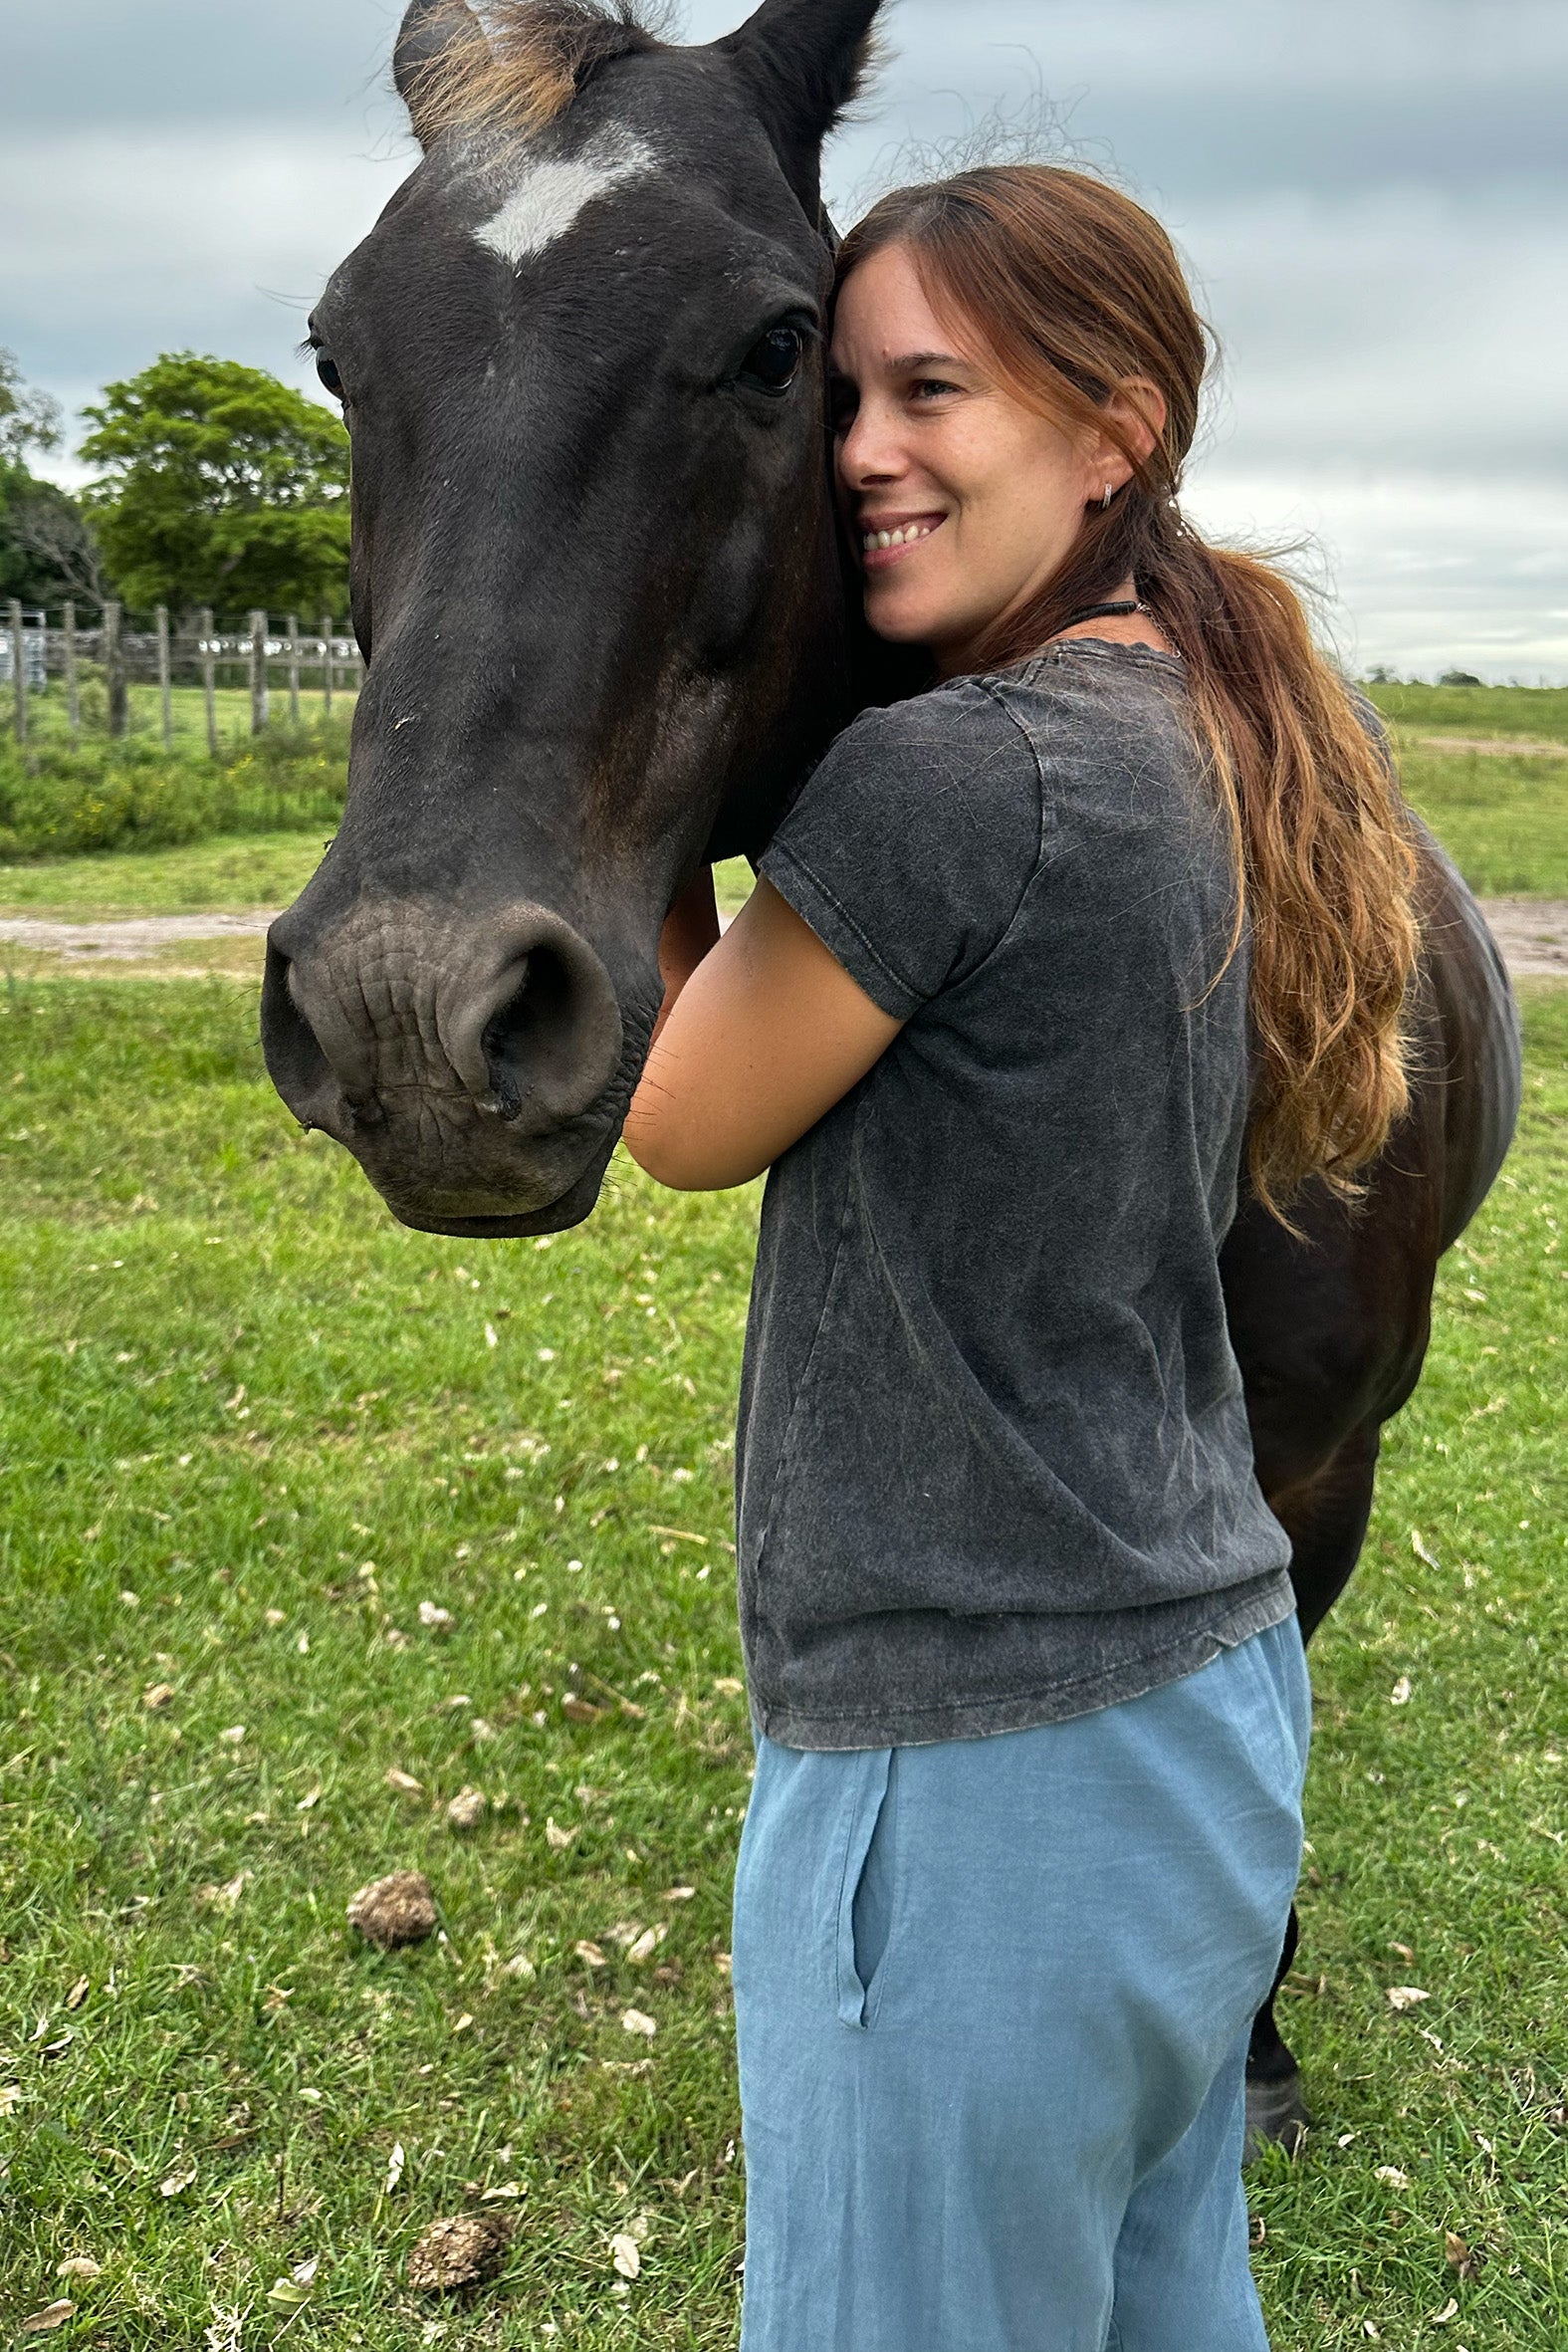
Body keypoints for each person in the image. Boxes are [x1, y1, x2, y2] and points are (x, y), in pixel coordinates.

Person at [623, 164, 1418, 2352]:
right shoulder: (1208, 724)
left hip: (969, 1769)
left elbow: (680, 1115)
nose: (863, 450)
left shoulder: (955, 779)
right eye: (840, 398)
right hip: (1201, 1708)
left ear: (1113, 431)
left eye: (932, 392)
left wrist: (650, 774)